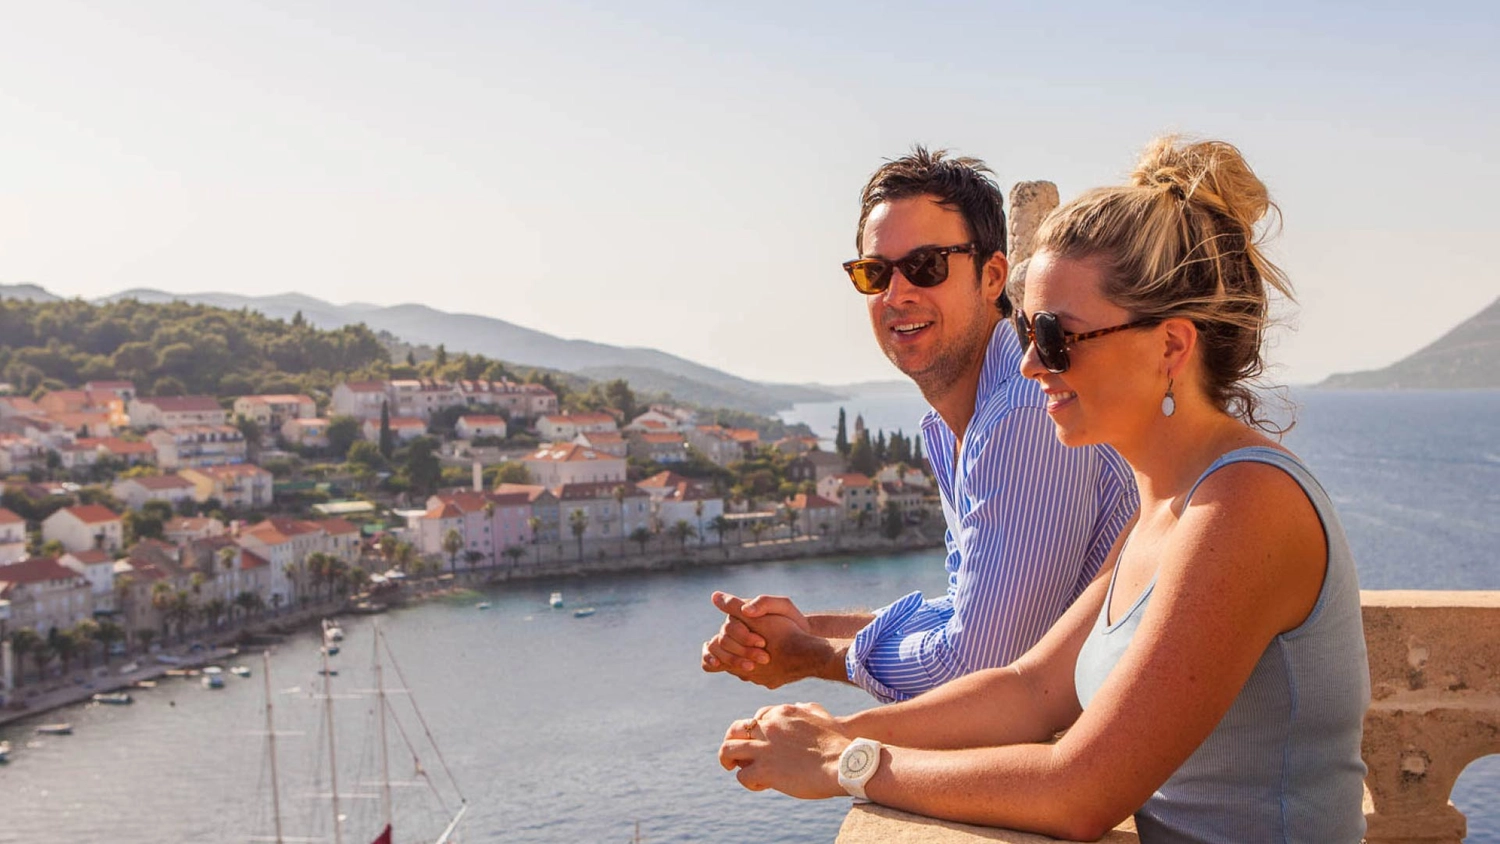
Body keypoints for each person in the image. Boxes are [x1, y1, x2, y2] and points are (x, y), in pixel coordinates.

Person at [717, 137, 1370, 842]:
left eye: (1057, 337)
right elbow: (1028, 689)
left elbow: (1079, 790)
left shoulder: (1244, 506)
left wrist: (844, 761)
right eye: (1028, 331)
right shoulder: (1165, 502)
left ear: (1171, 347)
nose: (1030, 364)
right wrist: (840, 729)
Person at [700, 149, 1136, 701]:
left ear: (992, 276)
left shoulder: (1024, 412)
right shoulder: (956, 421)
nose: (897, 293)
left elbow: (979, 665)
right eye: (874, 273)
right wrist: (802, 629)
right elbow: (964, 610)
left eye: (927, 265)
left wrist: (810, 656)